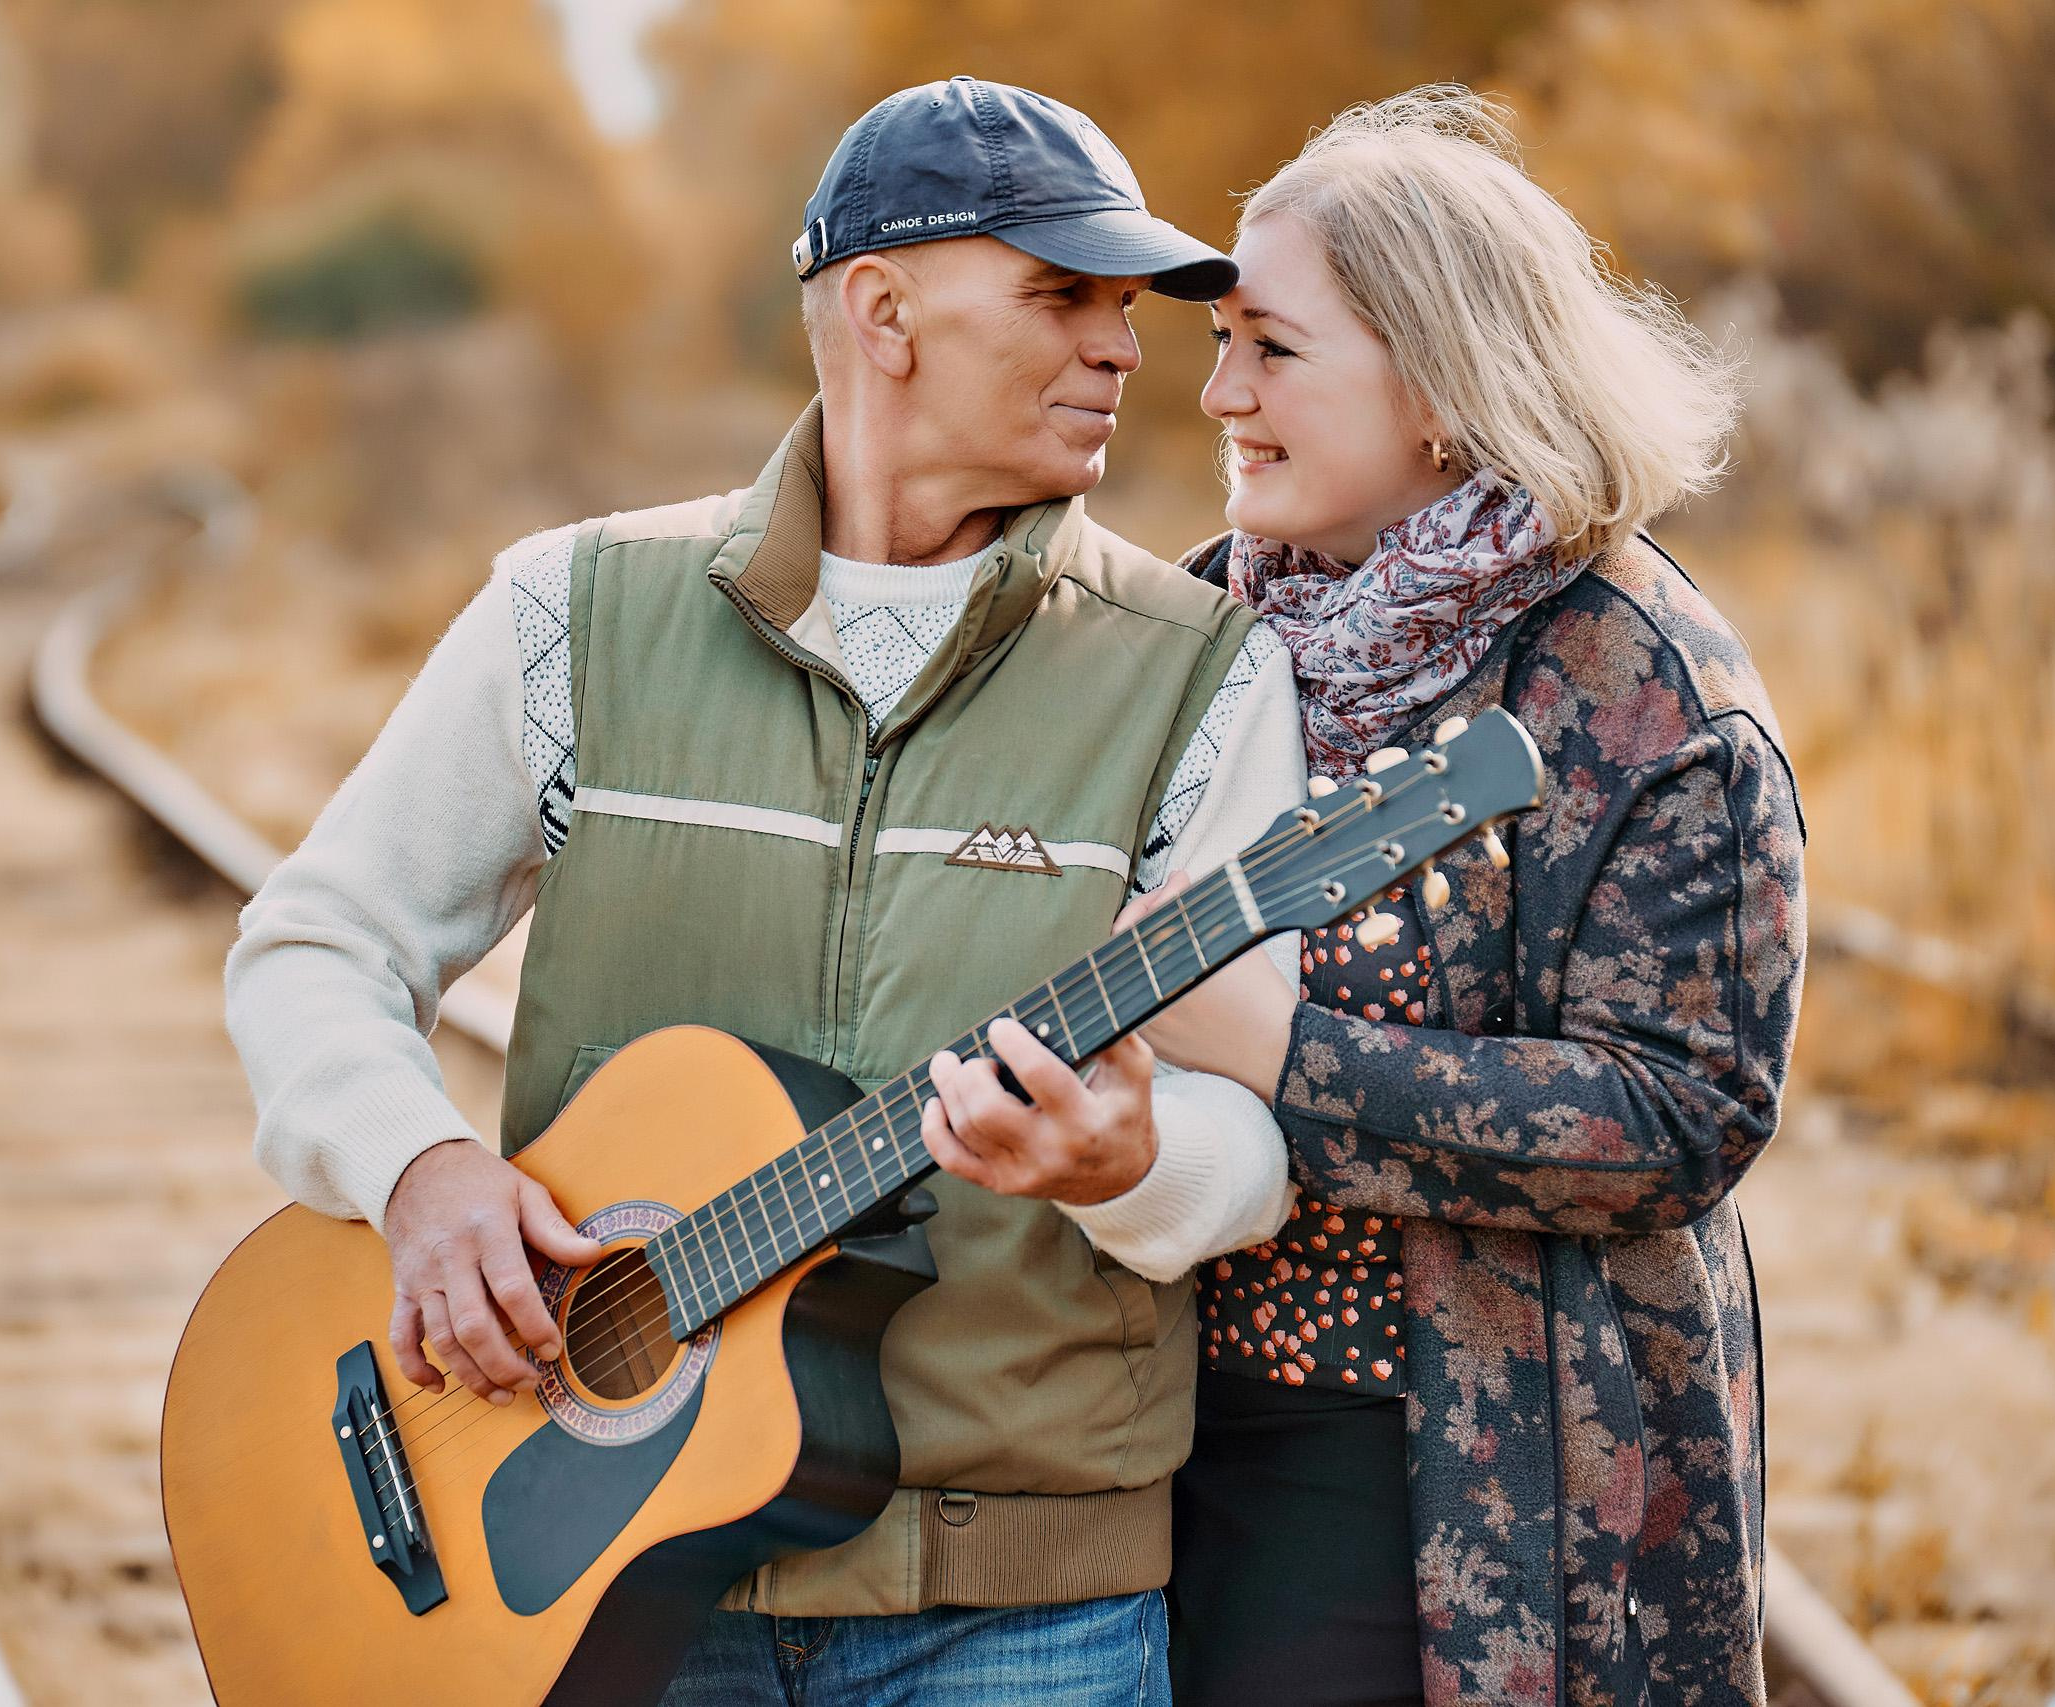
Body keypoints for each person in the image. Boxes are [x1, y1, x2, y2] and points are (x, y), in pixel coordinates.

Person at [224, 76, 1313, 1706]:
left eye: (1127, 307)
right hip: (601, 1587)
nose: (1122, 347)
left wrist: (1133, 1166)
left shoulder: (1199, 678)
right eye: (1060, 295)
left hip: (1016, 1614)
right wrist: (417, 1174)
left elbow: (1256, 1147)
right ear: (884, 312)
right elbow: (318, 945)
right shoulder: (573, 612)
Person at [930, 88, 1808, 1706]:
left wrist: (1284, 1054)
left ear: (1444, 387)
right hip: (1150, 1420)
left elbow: (1685, 1114)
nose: (1220, 393)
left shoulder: (1639, 690)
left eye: (1273, 348)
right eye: (1222, 346)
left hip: (1461, 1458)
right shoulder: (1205, 622)